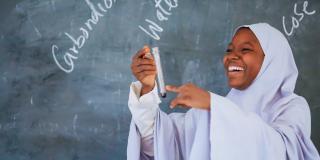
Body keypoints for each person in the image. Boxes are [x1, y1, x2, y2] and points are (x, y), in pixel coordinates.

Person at [126, 23, 320, 160]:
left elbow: (282, 152)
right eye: (229, 50)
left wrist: (214, 104)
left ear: (271, 60)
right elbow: (158, 146)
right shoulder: (207, 112)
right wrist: (147, 89)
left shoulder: (291, 106)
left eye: (245, 50)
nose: (231, 57)